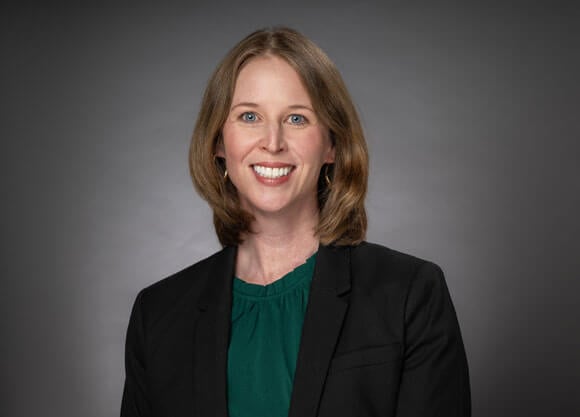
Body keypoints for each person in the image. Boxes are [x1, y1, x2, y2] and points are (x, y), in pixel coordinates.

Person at [121, 27, 471, 417]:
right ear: (219, 142)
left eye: (297, 118)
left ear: (332, 145)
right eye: (249, 116)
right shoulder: (158, 314)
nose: (273, 142)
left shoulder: (409, 294)